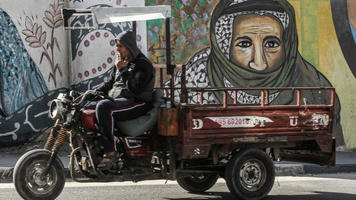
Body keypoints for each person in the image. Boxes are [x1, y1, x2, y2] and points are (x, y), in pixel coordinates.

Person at [172, 0, 344, 146]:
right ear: (225, 48)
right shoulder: (196, 77)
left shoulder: (315, 90)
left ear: (287, 45)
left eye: (271, 44)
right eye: (244, 44)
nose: (259, 63)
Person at [94, 30, 155, 169]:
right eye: (117, 46)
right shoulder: (121, 62)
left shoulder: (142, 65)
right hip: (121, 99)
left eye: (120, 46)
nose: (117, 49)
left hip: (138, 102)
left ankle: (111, 152)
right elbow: (110, 83)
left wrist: (123, 70)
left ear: (129, 46)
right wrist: (92, 94)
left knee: (104, 107)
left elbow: (135, 89)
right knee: (89, 107)